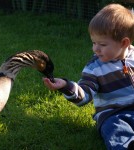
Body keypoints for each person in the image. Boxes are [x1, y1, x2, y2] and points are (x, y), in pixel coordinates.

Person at [43, 3, 134, 150]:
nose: (95, 49)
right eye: (93, 43)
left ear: (124, 43)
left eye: (102, 44)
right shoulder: (94, 68)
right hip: (113, 114)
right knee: (116, 129)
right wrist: (66, 86)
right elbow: (84, 94)